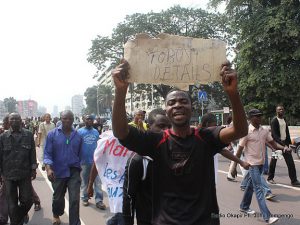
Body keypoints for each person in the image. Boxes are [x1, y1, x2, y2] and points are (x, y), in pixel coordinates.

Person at [111, 59, 248, 224]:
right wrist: (120, 91)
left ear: (192, 108)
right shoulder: (156, 141)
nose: (178, 105)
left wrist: (233, 93)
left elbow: (239, 130)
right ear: (166, 110)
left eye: (184, 101)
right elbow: (121, 132)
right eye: (171, 103)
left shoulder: (206, 137)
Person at [236, 109, 291, 224]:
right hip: (252, 165)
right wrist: (238, 164)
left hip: (261, 163)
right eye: (257, 116)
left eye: (260, 116)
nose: (260, 118)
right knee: (259, 189)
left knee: (250, 186)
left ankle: (244, 206)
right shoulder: (246, 132)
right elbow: (239, 149)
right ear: (251, 118)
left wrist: (284, 147)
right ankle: (267, 216)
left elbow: (273, 144)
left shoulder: (264, 130)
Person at [123, 108, 171, 225]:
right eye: (161, 126)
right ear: (149, 127)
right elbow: (129, 197)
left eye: (169, 126)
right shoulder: (138, 160)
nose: (166, 130)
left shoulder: (179, 155)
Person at [44, 110, 82, 225]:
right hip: (58, 171)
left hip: (73, 171)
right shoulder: (52, 134)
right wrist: (49, 168)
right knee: (58, 198)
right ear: (61, 118)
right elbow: (47, 153)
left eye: (70, 118)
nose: (67, 121)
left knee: (74, 199)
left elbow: (80, 153)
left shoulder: (78, 135)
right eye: (65, 118)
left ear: (73, 119)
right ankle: (56, 214)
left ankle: (74, 223)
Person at [0, 113, 37, 225]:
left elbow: (32, 152)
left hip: (24, 173)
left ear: (21, 121)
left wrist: (33, 168)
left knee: (27, 200)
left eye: (17, 119)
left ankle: (17, 218)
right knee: (12, 202)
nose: (15, 121)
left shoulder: (28, 135)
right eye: (12, 119)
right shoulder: (3, 137)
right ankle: (16, 223)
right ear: (8, 121)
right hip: (8, 174)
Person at [77, 115, 106, 209]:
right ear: (84, 120)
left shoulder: (96, 132)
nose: (89, 121)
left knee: (97, 182)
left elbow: (99, 145)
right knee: (85, 182)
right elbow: (76, 146)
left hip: (95, 161)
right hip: (84, 161)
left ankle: (99, 201)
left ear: (93, 121)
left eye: (91, 119)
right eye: (87, 119)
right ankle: (85, 198)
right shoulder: (79, 132)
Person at [267, 105, 300, 186]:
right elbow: (274, 135)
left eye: (282, 109)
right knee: (274, 161)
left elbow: (287, 132)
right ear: (276, 111)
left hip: (285, 143)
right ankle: (270, 178)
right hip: (277, 144)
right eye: (279, 109)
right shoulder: (274, 121)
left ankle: (294, 180)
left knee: (290, 163)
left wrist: (288, 144)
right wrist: (283, 145)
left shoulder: (284, 119)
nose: (281, 110)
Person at [0, 115, 9, 225]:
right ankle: (3, 217)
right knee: (4, 193)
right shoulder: (2, 134)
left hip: (18, 170)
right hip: (5, 170)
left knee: (26, 193)